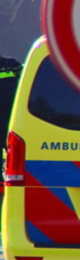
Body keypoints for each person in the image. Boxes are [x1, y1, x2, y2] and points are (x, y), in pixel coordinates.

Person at [0, 49, 22, 184]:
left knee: (12, 148)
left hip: (11, 115)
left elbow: (25, 79)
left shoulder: (11, 63)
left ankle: (11, 176)